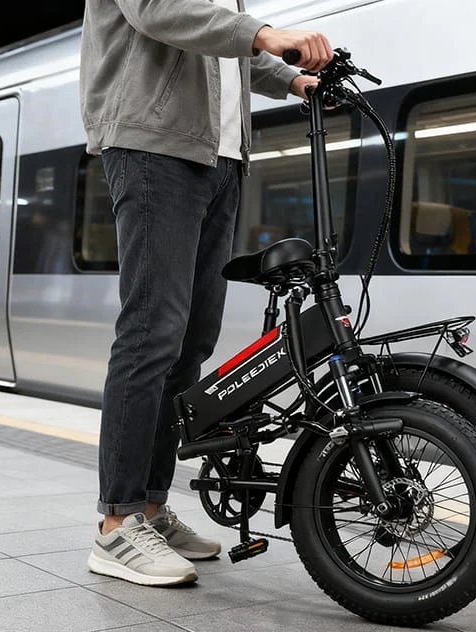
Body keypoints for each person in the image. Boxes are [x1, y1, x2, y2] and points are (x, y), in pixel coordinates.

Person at [79, 0, 334, 586]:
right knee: (151, 334)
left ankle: (150, 508)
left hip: (219, 159)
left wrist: (293, 79)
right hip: (154, 148)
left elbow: (231, 56)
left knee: (191, 342)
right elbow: (158, 11)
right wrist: (266, 33)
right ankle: (116, 525)